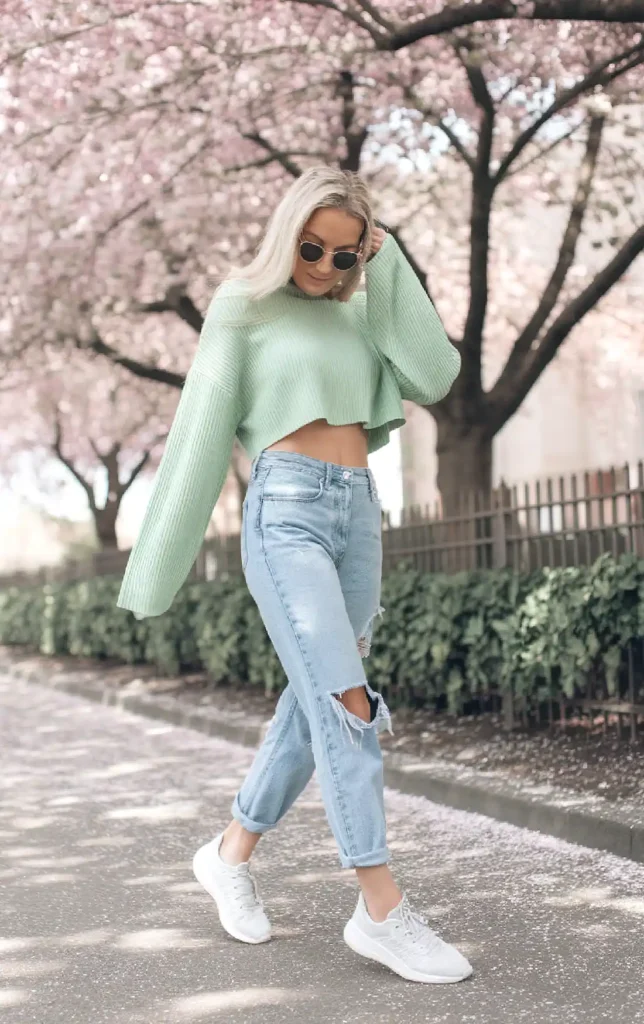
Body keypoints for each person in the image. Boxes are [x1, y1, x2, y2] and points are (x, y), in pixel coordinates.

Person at [117, 166, 472, 985]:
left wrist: (388, 268)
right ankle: (380, 908)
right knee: (347, 701)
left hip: (358, 514)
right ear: (288, 235)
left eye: (344, 254)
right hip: (286, 516)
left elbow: (433, 374)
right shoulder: (243, 304)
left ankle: (229, 853)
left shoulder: (361, 305)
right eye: (312, 248)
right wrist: (157, 567)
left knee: (313, 702)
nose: (323, 266)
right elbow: (201, 428)